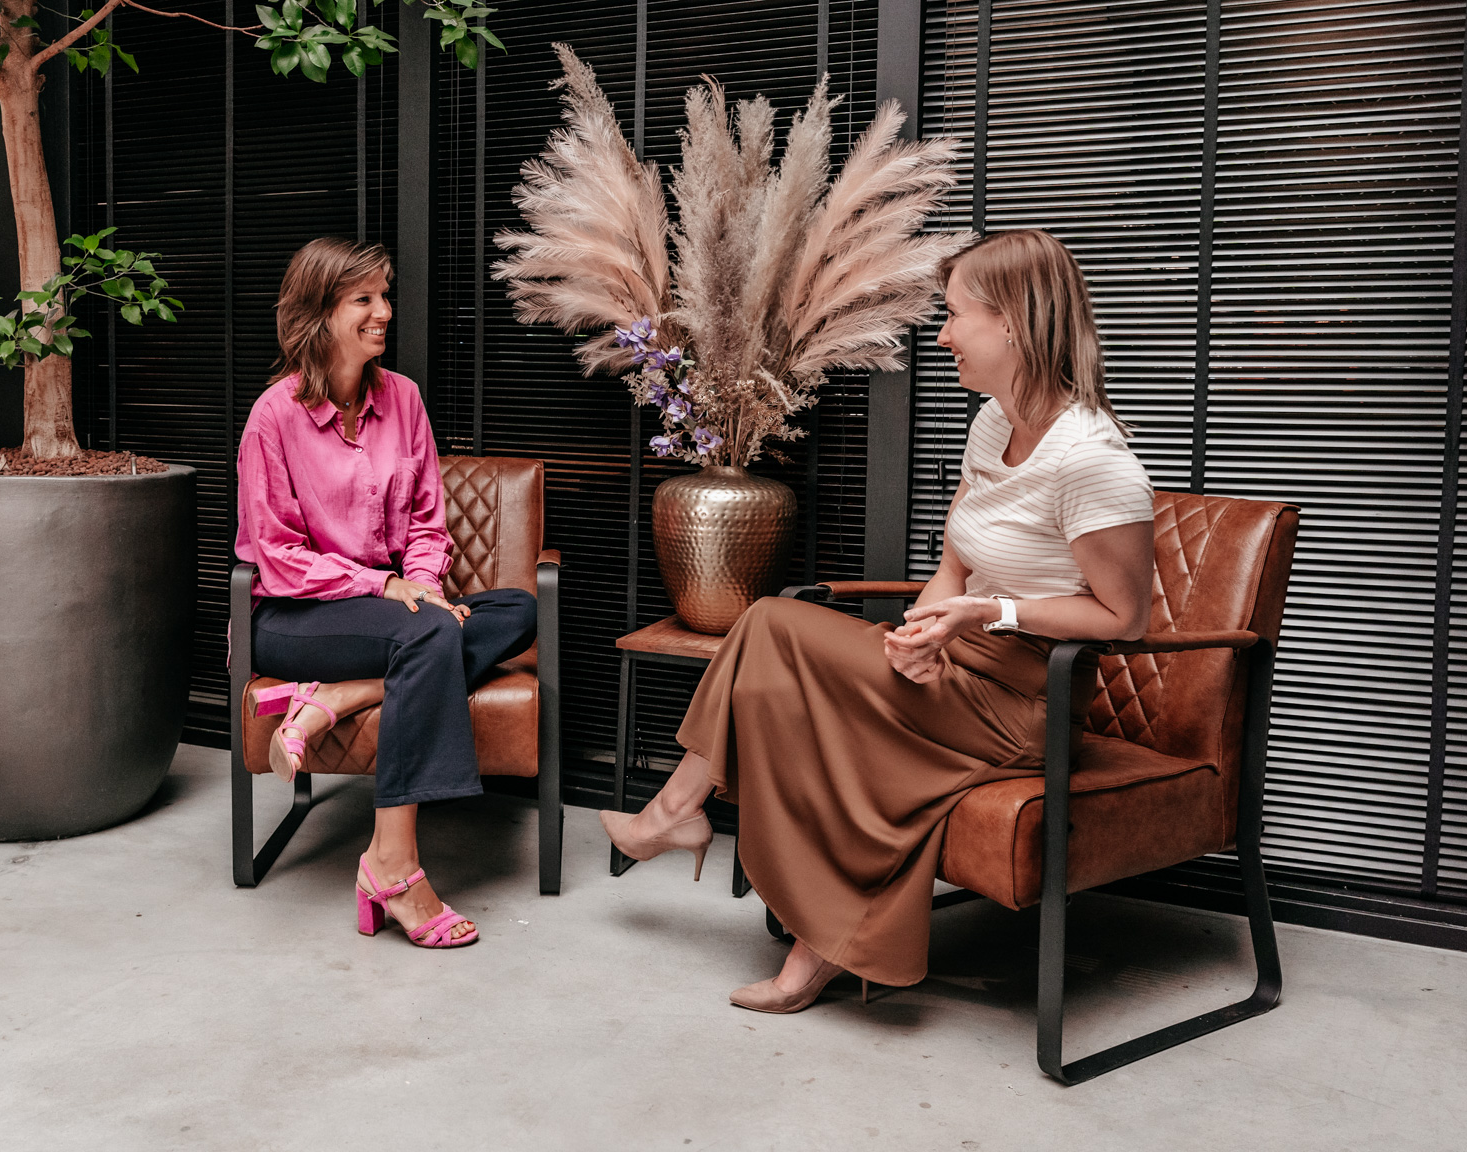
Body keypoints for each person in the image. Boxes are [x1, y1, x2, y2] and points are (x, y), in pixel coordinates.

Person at [600, 229, 1157, 1009]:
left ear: (1014, 324)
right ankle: (800, 929)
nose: (945, 334)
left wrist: (980, 616)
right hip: (958, 668)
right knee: (777, 654)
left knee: (769, 627)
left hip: (1023, 701)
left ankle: (680, 815)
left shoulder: (1092, 458)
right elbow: (955, 567)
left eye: (956, 315)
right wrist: (917, 636)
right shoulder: (994, 425)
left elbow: (1124, 618)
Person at [237, 237, 537, 949]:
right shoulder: (273, 418)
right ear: (320, 314)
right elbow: (277, 559)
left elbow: (429, 522)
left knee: (518, 609)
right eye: (363, 299)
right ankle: (393, 863)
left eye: (383, 295)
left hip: (391, 611)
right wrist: (388, 585)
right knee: (426, 634)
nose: (384, 312)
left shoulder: (401, 399)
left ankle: (337, 697)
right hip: (294, 614)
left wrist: (425, 586)